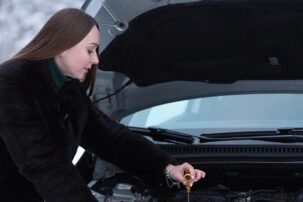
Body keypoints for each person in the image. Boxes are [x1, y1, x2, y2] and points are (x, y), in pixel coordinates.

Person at [0, 8, 205, 202]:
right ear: (63, 45)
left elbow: (109, 137)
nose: (96, 59)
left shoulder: (68, 88)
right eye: (90, 50)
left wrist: (167, 168)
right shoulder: (12, 81)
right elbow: (43, 161)